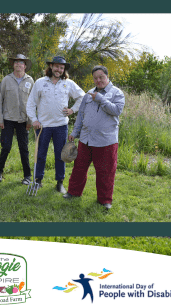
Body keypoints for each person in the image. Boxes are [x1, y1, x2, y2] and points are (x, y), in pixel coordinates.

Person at [64, 65, 125, 211]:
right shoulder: (88, 94)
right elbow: (80, 116)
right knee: (79, 168)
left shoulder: (117, 93)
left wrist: (101, 99)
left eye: (101, 77)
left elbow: (117, 111)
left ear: (107, 76)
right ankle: (73, 192)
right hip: (86, 139)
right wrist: (75, 132)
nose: (98, 80)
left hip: (106, 141)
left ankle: (105, 200)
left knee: (106, 172)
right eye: (95, 78)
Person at [26, 56, 84, 194]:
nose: (59, 70)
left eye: (62, 68)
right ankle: (38, 181)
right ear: (51, 66)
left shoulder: (68, 83)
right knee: (40, 154)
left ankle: (59, 183)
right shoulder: (40, 82)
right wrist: (34, 119)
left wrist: (72, 110)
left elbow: (82, 96)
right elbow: (30, 103)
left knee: (61, 155)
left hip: (61, 126)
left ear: (64, 70)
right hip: (43, 126)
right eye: (57, 66)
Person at [0, 54, 35, 184]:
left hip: (23, 121)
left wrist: (30, 121)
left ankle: (27, 176)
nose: (18, 64)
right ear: (13, 65)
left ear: (25, 66)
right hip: (8, 119)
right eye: (16, 62)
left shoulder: (30, 81)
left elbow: (33, 102)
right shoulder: (6, 80)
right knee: (6, 146)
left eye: (21, 62)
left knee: (24, 148)